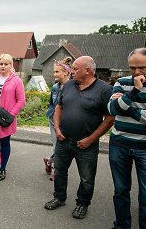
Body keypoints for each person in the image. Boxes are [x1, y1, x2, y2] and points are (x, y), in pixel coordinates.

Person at [44, 56, 114, 220]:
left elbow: (110, 118)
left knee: (87, 178)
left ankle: (82, 204)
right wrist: (56, 128)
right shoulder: (68, 85)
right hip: (64, 139)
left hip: (86, 145)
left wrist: (91, 139)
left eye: (75, 69)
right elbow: (58, 107)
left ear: (88, 70)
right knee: (60, 171)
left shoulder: (104, 90)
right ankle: (59, 197)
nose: (71, 71)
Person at [108, 48, 146, 229]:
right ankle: (121, 225)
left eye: (142, 67)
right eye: (132, 68)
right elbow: (112, 110)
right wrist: (134, 93)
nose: (137, 73)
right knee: (121, 191)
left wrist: (128, 107)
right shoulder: (122, 82)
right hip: (120, 144)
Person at [44, 57, 72, 181]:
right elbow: (51, 102)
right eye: (54, 72)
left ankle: (49, 161)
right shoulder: (55, 87)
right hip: (53, 119)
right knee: (57, 145)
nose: (54, 74)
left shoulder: (73, 87)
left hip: (66, 119)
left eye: (57, 72)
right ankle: (58, 172)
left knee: (63, 145)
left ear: (66, 72)